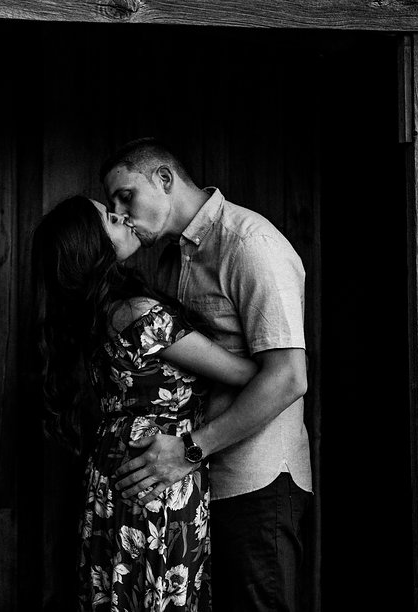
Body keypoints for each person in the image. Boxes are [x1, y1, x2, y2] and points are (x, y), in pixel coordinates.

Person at [101, 137, 311, 612]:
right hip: (200, 488)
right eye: (112, 205)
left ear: (164, 178)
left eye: (125, 195)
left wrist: (191, 449)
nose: (122, 212)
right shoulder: (175, 258)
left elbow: (289, 378)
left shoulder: (249, 243)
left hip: (256, 482)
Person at [31, 195, 260, 611]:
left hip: (113, 467)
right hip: (157, 470)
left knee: (119, 592)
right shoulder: (141, 315)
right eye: (109, 219)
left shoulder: (93, 312)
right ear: (92, 246)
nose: (122, 216)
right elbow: (244, 375)